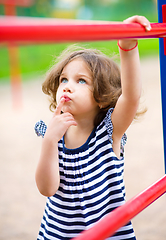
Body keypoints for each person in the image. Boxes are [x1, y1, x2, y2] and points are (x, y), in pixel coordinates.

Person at [34, 16, 151, 240]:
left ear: (102, 95)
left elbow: (131, 97)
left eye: (81, 81)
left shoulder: (109, 132)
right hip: (60, 234)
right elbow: (47, 189)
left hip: (108, 234)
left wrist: (127, 47)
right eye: (64, 80)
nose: (68, 87)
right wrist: (49, 140)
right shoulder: (54, 132)